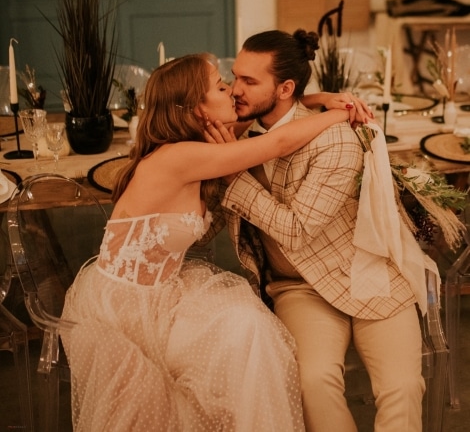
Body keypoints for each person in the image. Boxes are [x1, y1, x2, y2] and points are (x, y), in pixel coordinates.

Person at [60, 52, 365, 431]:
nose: (233, 92)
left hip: (163, 292)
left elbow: (268, 113)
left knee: (247, 328)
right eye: (221, 87)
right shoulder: (181, 156)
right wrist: (343, 114)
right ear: (196, 109)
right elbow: (278, 142)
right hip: (126, 307)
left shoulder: (199, 143)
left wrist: (318, 99)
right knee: (246, 336)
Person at [204, 29, 425, 432]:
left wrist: (232, 175)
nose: (235, 90)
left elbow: (296, 230)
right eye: (234, 77)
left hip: (366, 273)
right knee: (311, 382)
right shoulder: (236, 136)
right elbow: (205, 224)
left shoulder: (335, 139)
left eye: (249, 81)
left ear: (285, 88)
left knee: (403, 386)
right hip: (299, 286)